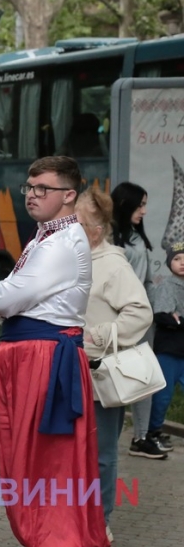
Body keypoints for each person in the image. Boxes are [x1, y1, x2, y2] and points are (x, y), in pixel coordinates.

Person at [0, 156, 108, 547]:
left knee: (45, 459)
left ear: (68, 195)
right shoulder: (47, 237)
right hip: (35, 355)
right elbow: (16, 293)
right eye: (30, 188)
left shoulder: (60, 243)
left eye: (43, 189)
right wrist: (6, 292)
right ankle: (59, 540)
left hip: (44, 358)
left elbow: (8, 297)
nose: (32, 195)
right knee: (37, 458)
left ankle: (61, 543)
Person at [78, 186, 154, 543]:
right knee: (70, 454)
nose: (69, 228)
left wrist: (99, 336)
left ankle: (99, 521)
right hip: (65, 373)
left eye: (76, 221)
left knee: (102, 456)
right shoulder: (66, 257)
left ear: (96, 227)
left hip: (100, 376)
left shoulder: (112, 262)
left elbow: (141, 312)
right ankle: (72, 517)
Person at [110, 181, 169, 458]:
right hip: (119, 320)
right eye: (140, 204)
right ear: (125, 204)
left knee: (144, 377)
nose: (144, 210)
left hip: (144, 319)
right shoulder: (110, 237)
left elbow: (146, 280)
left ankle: (141, 437)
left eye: (145, 205)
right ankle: (111, 436)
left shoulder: (135, 235)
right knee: (116, 379)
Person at [147, 241, 184, 450]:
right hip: (168, 351)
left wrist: (178, 320)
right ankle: (153, 431)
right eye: (177, 259)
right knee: (163, 396)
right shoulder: (167, 286)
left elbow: (176, 320)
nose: (182, 263)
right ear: (170, 263)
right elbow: (163, 316)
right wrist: (175, 321)